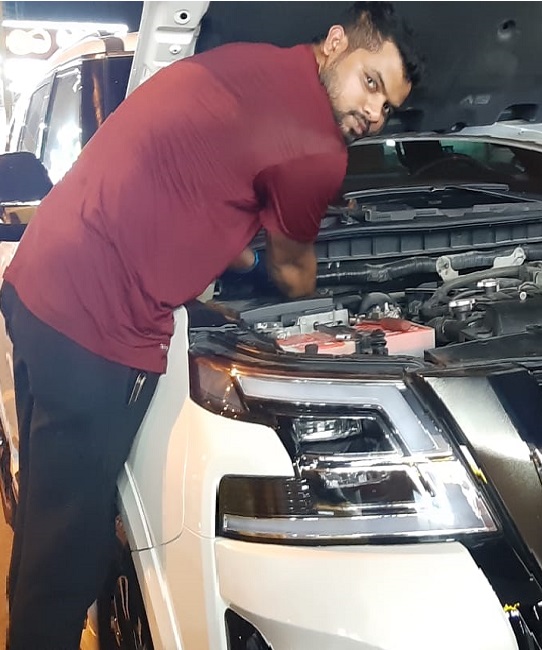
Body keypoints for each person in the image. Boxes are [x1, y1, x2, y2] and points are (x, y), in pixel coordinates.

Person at [0, 2, 422, 647]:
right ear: (337, 42)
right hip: (95, 327)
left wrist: (237, 248)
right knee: (71, 551)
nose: (373, 112)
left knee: (45, 515)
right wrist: (317, 288)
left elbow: (201, 183)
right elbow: (294, 273)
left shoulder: (244, 65)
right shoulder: (317, 146)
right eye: (371, 83)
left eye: (388, 106)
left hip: (37, 286)